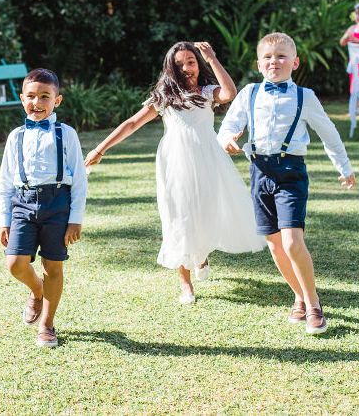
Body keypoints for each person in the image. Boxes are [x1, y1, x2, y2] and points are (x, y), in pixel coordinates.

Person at [84, 42, 264, 305]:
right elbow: (133, 122)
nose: (185, 68)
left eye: (190, 62)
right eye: (179, 64)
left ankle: (200, 256)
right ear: (171, 68)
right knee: (179, 218)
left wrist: (212, 58)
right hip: (175, 161)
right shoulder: (164, 96)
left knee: (206, 213)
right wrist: (100, 149)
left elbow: (229, 93)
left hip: (208, 160)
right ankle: (185, 284)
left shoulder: (206, 91)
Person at [218, 32, 356, 335]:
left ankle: (314, 303)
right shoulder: (250, 93)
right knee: (275, 244)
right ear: (258, 63)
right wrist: (227, 138)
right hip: (258, 172)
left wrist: (344, 167)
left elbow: (328, 132)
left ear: (294, 62)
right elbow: (228, 126)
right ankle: (298, 295)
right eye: (268, 57)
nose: (274, 62)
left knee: (293, 241)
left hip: (290, 171)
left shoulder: (305, 96)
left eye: (281, 56)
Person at [0, 68, 88, 348]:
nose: (37, 103)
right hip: (22, 204)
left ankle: (47, 325)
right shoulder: (16, 137)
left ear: (56, 101)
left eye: (44, 97)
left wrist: (75, 219)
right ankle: (37, 290)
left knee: (53, 266)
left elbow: (80, 180)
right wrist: (5, 219)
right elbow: (5, 180)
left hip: (57, 204)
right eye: (31, 97)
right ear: (22, 98)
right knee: (14, 264)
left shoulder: (67, 134)